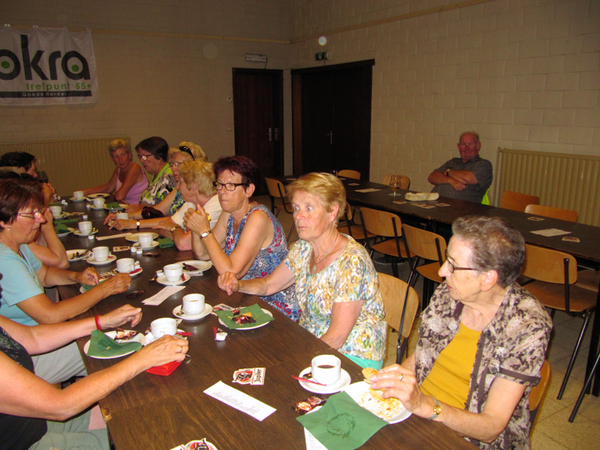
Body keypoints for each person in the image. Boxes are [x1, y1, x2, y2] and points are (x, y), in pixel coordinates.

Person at [370, 216, 552, 449]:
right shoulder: (450, 294)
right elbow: (420, 358)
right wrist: (392, 384)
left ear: (487, 279)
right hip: (418, 416)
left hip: (465, 438)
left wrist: (427, 406)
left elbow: (491, 428)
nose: (442, 270)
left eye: (453, 265)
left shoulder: (528, 326)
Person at [217, 172, 386, 369]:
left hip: (352, 356)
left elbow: (337, 337)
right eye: (296, 208)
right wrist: (238, 285)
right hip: (312, 341)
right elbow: (269, 284)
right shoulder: (303, 248)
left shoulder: (352, 262)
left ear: (332, 212)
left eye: (309, 208)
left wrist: (295, 360)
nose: (298, 216)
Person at [0, 303, 188, 450]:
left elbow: (32, 337)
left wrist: (102, 321)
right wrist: (144, 358)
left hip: (35, 425)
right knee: (148, 438)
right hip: (28, 443)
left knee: (134, 408)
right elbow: (60, 405)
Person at [0, 178, 131, 384]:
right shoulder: (5, 261)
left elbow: (44, 275)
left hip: (37, 339)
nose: (40, 220)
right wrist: (105, 289)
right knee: (116, 346)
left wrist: (75, 276)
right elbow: (50, 316)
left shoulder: (17, 243)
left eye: (39, 212)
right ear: (5, 221)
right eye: (31, 214)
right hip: (24, 360)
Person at [183, 156, 299, 320]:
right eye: (219, 185)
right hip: (244, 295)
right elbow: (202, 254)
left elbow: (231, 272)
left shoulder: (258, 217)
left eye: (230, 186)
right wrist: (196, 228)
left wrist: (204, 231)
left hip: (273, 303)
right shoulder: (229, 213)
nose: (222, 191)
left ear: (249, 190)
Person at [107, 159, 221, 251]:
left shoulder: (215, 205)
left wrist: (174, 228)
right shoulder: (191, 202)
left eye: (180, 182)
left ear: (193, 186)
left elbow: (183, 244)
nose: (177, 187)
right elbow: (165, 224)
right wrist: (177, 231)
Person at [427, 132, 493, 203]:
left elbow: (467, 178)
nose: (467, 147)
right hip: (437, 204)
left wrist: (448, 172)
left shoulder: (484, 164)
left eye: (471, 144)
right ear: (458, 147)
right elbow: (432, 177)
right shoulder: (453, 162)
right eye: (463, 144)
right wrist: (451, 181)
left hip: (463, 209)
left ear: (478, 146)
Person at [81, 139, 148, 204]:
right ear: (113, 159)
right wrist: (86, 191)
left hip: (138, 210)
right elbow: (108, 188)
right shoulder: (119, 169)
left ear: (129, 155)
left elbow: (119, 196)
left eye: (123, 155)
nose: (120, 159)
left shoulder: (134, 169)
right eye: (116, 156)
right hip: (126, 207)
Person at [130, 136, 177, 207]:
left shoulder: (169, 177)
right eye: (140, 157)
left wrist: (140, 209)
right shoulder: (157, 174)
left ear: (159, 157)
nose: (141, 160)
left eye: (145, 157)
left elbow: (166, 211)